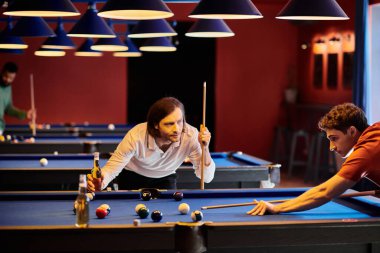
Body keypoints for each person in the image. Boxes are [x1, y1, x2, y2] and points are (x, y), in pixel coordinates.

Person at [248, 103, 380, 215]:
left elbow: (325, 192)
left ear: (352, 131)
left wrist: (277, 208)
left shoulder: (366, 151)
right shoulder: (375, 131)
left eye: (334, 138)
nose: (331, 147)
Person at [87, 97, 216, 191]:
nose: (177, 129)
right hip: (133, 177)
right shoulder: (136, 136)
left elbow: (207, 178)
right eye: (169, 124)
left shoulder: (190, 135)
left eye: (180, 121)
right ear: (155, 124)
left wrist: (205, 148)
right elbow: (112, 168)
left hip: (166, 177)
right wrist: (101, 181)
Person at [0, 62, 34, 135]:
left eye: (11, 78)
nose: (8, 80)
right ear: (2, 72)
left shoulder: (8, 87)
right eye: (6, 76)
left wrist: (25, 114)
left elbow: (8, 108)